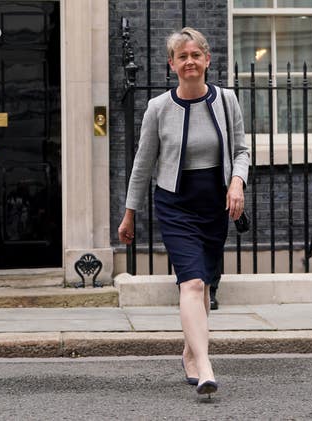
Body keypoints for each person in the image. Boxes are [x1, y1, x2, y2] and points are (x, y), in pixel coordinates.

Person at [118, 27, 249, 397]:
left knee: (204, 283)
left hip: (214, 203)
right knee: (190, 282)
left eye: (195, 55)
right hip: (175, 202)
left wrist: (237, 182)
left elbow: (241, 150)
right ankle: (205, 366)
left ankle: (191, 353)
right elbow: (143, 165)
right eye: (182, 56)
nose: (189, 61)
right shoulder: (158, 108)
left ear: (207, 60)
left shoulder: (226, 100)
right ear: (172, 65)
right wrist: (130, 214)